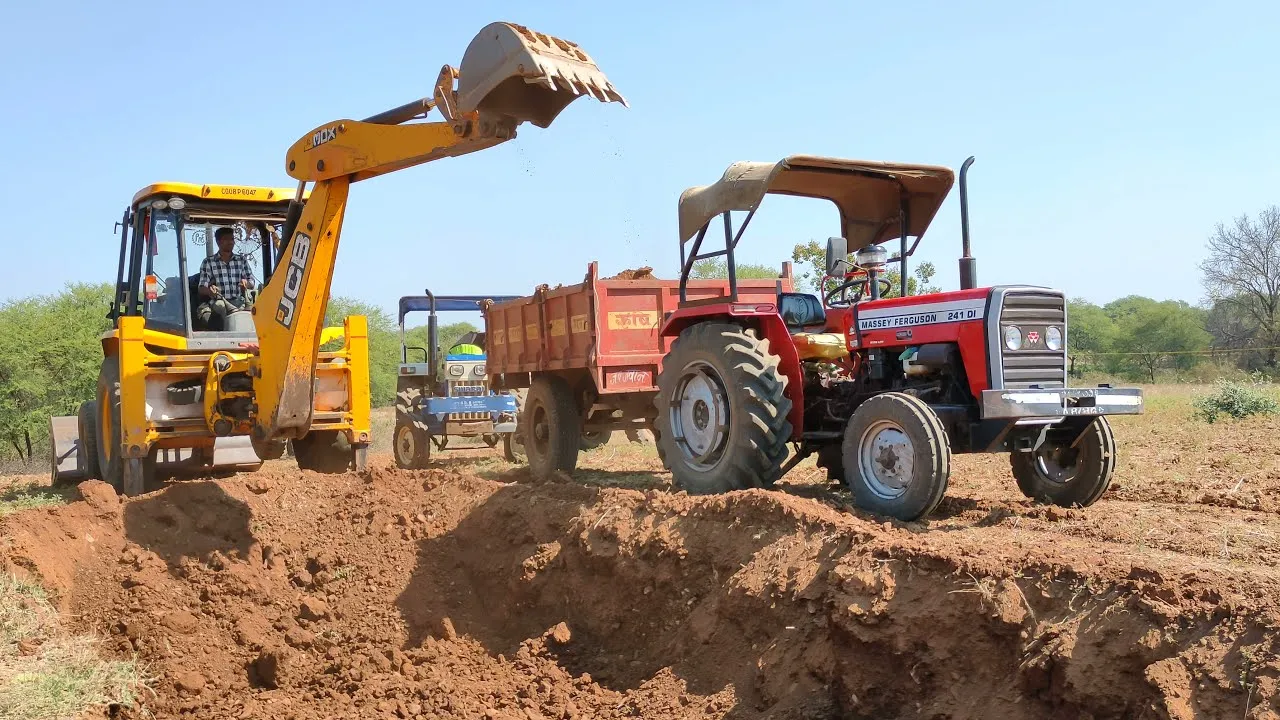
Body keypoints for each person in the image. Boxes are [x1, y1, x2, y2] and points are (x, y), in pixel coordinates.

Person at [196, 227, 255, 329]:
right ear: (218, 242)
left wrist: (247, 283)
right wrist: (210, 291)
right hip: (219, 302)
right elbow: (201, 288)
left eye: (232, 239)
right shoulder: (209, 262)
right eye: (226, 239)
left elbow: (252, 281)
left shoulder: (241, 260)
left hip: (239, 303)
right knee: (221, 310)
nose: (230, 242)